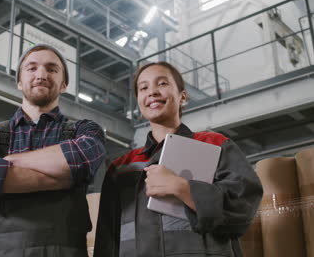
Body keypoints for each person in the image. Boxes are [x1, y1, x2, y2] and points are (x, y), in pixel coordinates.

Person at [94, 61, 262, 257]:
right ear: (139, 101)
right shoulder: (121, 167)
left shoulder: (213, 144)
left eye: (162, 83)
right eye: (143, 88)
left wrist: (182, 188)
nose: (152, 92)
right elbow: (107, 240)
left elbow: (242, 207)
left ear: (183, 96)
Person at [0, 44, 106, 257]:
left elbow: (82, 161)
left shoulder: (85, 130)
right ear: (20, 82)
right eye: (31, 68)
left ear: (64, 84)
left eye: (51, 69)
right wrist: (64, 177)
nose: (41, 74)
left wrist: (7, 161)